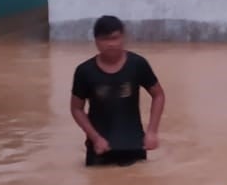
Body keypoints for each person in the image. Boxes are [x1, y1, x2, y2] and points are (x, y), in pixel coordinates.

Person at [70, 15, 166, 167]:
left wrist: (152, 131)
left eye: (114, 38)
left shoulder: (137, 64)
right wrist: (95, 138)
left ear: (123, 37)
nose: (110, 44)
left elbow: (158, 95)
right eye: (104, 39)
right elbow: (76, 109)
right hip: (99, 149)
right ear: (96, 41)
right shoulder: (84, 71)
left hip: (134, 147)